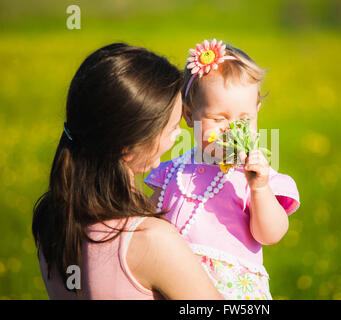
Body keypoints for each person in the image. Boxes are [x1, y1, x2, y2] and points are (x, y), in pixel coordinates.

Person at [32, 43, 223, 300]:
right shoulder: (151, 241)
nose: (180, 134)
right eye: (173, 127)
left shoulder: (53, 222)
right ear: (127, 149)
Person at [144, 39, 300, 300]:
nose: (233, 129)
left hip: (235, 290)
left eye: (244, 119)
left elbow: (271, 234)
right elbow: (147, 221)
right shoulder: (172, 171)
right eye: (219, 119)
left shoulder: (257, 176)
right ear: (189, 116)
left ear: (257, 112)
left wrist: (259, 189)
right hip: (175, 285)